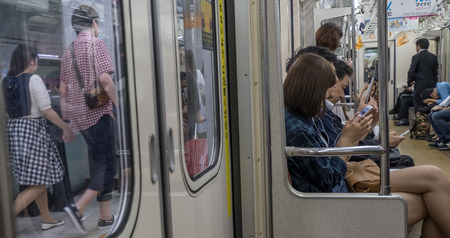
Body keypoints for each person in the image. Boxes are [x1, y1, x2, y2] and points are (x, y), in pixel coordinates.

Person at [285, 53, 450, 237]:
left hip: (343, 182)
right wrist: (346, 142)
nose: (333, 94)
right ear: (313, 88)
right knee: (434, 196)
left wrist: (357, 134)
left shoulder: (306, 119)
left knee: (435, 182)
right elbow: (327, 181)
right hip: (333, 201)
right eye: (329, 87)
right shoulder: (299, 129)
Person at [2, 44, 75, 230]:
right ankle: (5, 221)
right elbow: (47, 110)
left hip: (15, 131)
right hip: (33, 131)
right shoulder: (34, 79)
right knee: (40, 181)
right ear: (33, 60)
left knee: (38, 179)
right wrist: (65, 127)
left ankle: (47, 218)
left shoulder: (5, 81)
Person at [60, 5, 117, 233]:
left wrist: (67, 123)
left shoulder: (67, 52)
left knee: (98, 162)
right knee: (108, 164)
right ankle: (79, 207)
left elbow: (63, 91)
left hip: (81, 120)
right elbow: (105, 79)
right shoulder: (97, 44)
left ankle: (105, 215)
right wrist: (119, 105)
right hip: (100, 113)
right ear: (94, 23)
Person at [407, 39, 438, 114]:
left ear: (419, 46)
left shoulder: (416, 57)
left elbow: (411, 71)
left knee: (418, 103)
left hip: (420, 84)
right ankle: (429, 122)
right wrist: (435, 85)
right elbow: (435, 72)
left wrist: (409, 82)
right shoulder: (433, 57)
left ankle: (420, 122)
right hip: (431, 84)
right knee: (429, 104)